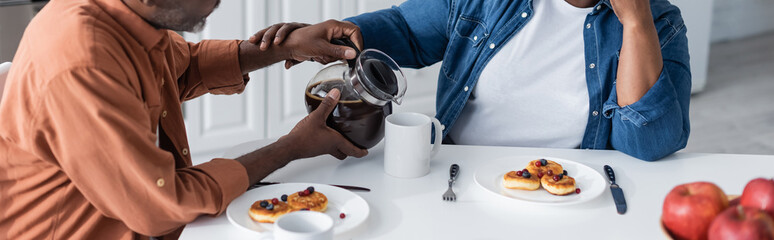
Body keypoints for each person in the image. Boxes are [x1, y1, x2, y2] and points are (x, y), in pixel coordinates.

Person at [0, 0, 367, 239]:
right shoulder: (83, 58)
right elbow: (160, 204)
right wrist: (292, 147)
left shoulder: (124, 16)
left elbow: (182, 67)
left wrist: (288, 45)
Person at [260, 0, 691, 161]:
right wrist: (325, 36)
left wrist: (636, 23)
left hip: (573, 186)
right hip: (457, 176)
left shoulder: (660, 23)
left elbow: (650, 145)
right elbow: (405, 29)